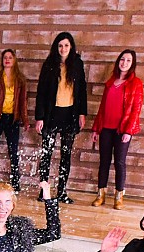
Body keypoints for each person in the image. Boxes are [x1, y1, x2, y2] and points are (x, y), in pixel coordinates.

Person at [35, 32, 87, 204]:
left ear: (71, 47)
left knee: (66, 154)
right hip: (51, 114)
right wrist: (39, 117)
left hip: (70, 114)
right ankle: (44, 191)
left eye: (66, 45)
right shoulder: (49, 64)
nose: (63, 49)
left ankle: (62, 191)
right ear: (56, 47)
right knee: (46, 154)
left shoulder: (77, 64)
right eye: (60, 45)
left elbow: (82, 90)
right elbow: (41, 92)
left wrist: (82, 113)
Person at [91, 49, 144, 210]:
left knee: (119, 162)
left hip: (122, 130)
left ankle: (119, 197)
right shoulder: (110, 82)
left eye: (128, 60)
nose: (124, 63)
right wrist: (96, 128)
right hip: (106, 128)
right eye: (122, 59)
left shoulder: (136, 84)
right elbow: (102, 107)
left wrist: (129, 131)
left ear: (132, 64)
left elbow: (136, 109)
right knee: (104, 162)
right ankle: (100, 194)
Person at [0, 49, 28, 192]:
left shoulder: (20, 80)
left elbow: (23, 102)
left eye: (10, 57)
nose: (7, 60)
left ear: (14, 60)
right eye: (5, 58)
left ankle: (15, 182)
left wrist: (25, 120)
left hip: (12, 119)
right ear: (2, 61)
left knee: (13, 151)